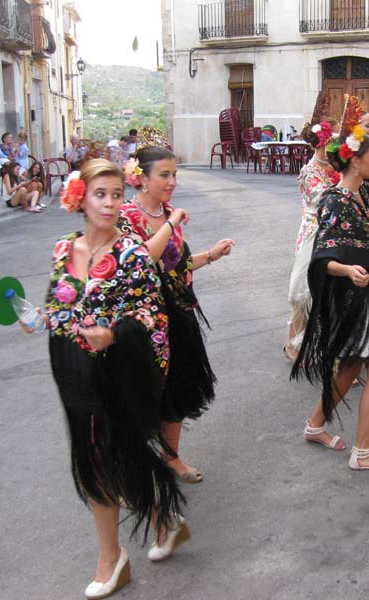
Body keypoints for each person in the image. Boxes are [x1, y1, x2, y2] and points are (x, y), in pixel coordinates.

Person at [23, 159, 188, 599]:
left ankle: (112, 559)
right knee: (116, 457)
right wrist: (37, 317)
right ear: (80, 198)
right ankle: (164, 520)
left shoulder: (132, 253)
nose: (111, 203)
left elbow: (152, 315)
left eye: (117, 194)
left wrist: (114, 334)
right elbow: (59, 304)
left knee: (98, 460)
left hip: (117, 373)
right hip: (71, 370)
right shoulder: (63, 248)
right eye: (101, 194)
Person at [119, 130, 234, 485]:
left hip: (178, 314)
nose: (171, 182)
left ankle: (171, 458)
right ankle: (134, 467)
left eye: (174, 175)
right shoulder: (127, 216)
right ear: (142, 177)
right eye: (164, 175)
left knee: (177, 390)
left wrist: (212, 254)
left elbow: (177, 266)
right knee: (143, 393)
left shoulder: (169, 213)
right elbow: (143, 261)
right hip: (144, 321)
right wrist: (171, 224)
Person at [291, 117, 369, 470]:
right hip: (350, 296)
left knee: (353, 364)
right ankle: (363, 453)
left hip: (362, 293)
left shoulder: (361, 194)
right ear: (355, 161)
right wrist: (348, 270)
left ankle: (315, 425)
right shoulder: (334, 200)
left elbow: (366, 227)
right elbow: (322, 257)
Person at [285, 118, 340, 362]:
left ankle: (327, 345)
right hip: (313, 233)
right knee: (303, 289)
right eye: (335, 137)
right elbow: (322, 200)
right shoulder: (309, 171)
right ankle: (293, 343)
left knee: (330, 291)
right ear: (324, 141)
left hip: (334, 232)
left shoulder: (337, 167)